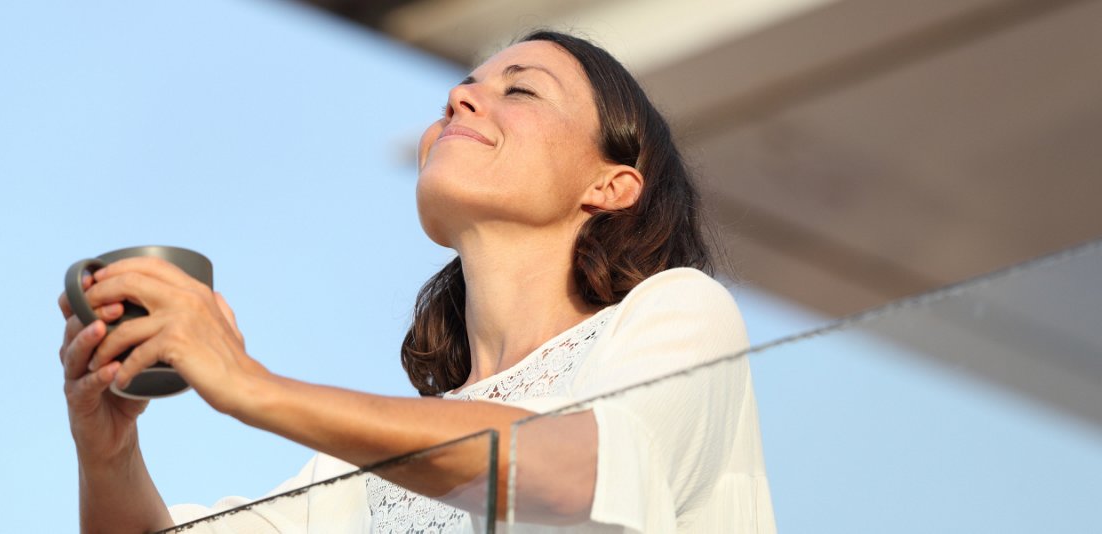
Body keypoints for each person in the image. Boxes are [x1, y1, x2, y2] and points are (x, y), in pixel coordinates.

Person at [57, 30, 775, 533]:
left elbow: (579, 469)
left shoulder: (679, 313)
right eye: (461, 91)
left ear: (611, 185)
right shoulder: (368, 466)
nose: (460, 102)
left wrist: (247, 382)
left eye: (520, 90)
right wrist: (109, 450)